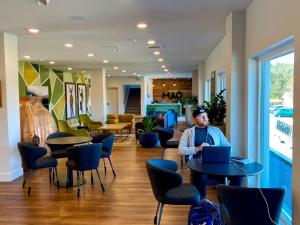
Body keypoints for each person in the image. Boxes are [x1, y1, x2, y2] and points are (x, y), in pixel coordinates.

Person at [178, 107, 242, 199]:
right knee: (201, 177)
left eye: (206, 116)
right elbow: (180, 150)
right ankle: (201, 203)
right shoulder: (188, 132)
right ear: (194, 119)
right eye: (201, 116)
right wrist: (197, 148)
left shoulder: (216, 130)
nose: (205, 118)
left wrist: (214, 149)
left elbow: (229, 148)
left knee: (238, 176)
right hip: (199, 165)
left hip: (218, 164)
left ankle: (228, 201)